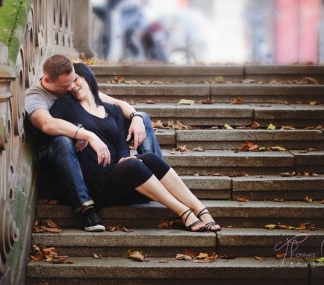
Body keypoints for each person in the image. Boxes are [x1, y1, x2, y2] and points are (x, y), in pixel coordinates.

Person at [48, 62, 221, 233]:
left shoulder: (113, 110)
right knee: (133, 165)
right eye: (69, 84)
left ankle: (200, 209)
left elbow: (121, 145)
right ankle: (184, 212)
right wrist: (75, 135)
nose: (72, 86)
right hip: (94, 183)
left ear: (87, 77)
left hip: (116, 177)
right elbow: (48, 129)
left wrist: (125, 156)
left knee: (150, 159)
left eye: (76, 79)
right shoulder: (66, 105)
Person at [25, 55, 161, 232]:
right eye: (65, 85)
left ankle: (154, 175)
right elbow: (46, 124)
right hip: (53, 156)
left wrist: (135, 118)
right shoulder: (35, 96)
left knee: (142, 117)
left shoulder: (70, 86)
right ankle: (86, 209)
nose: (71, 88)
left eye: (74, 80)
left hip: (84, 153)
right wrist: (85, 134)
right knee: (63, 140)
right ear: (47, 80)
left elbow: (116, 103)